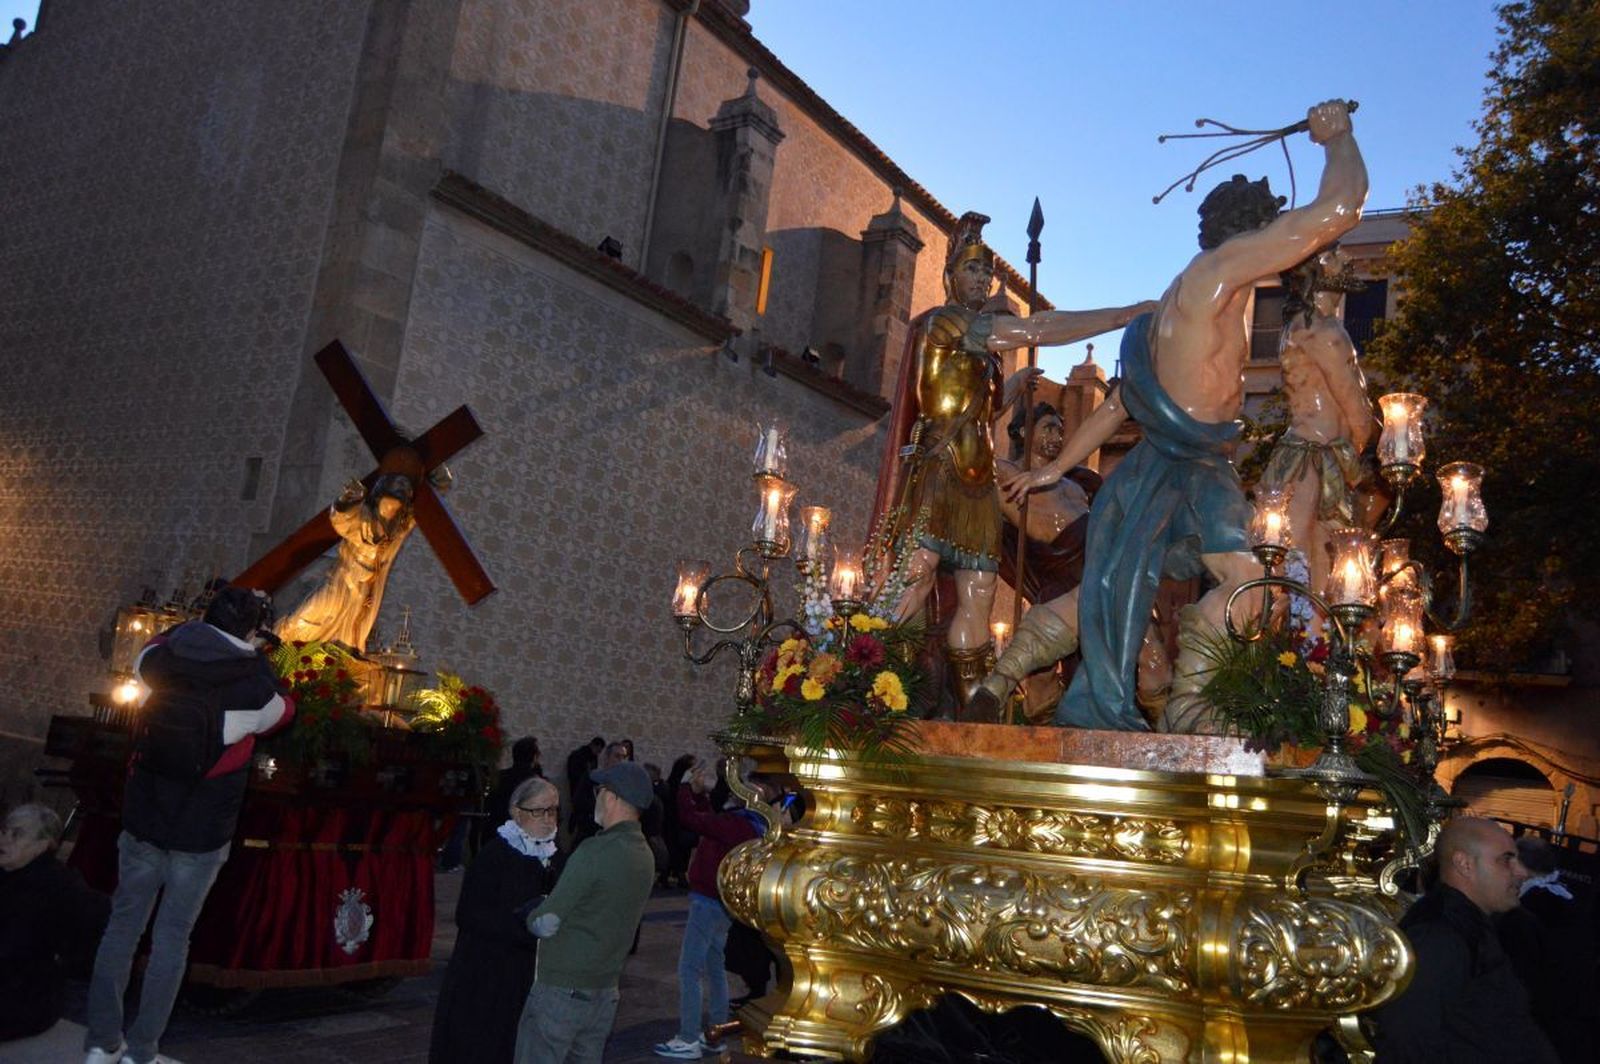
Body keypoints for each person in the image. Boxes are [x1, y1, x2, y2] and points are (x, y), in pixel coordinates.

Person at [1003, 100, 1368, 733]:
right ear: (1253, 232)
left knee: (1121, 588)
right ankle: (1191, 704)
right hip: (1189, 462)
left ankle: (1006, 673)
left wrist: (1055, 468)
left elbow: (1123, 402)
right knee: (1248, 578)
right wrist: (1338, 137)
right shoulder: (1221, 272)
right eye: (1274, 226)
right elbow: (1339, 209)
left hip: (1176, 461)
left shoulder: (1179, 302)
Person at [873, 210, 1153, 715]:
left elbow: (972, 408)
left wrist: (1009, 390)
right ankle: (875, 681)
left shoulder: (981, 349)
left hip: (977, 475)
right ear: (950, 276)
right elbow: (1036, 327)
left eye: (987, 271)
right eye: (972, 269)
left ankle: (972, 709)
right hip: (940, 466)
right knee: (916, 575)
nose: (982, 279)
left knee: (978, 591)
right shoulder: (946, 322)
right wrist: (1121, 315)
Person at [85, 584, 294, 1064]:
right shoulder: (254, 687)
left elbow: (155, 643)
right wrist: (258, 653)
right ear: (254, 630)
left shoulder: (157, 662)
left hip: (145, 818)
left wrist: (195, 627)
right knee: (171, 941)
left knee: (121, 929)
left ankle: (100, 1043)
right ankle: (142, 1051)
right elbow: (285, 710)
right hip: (200, 835)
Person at [1369, 818, 1559, 1063]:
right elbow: (1407, 1041)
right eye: (1506, 859)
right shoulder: (1438, 936)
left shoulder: (1470, 925)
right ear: (1464, 864)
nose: (1521, 872)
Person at [514, 761, 656, 1064]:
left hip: (563, 987)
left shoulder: (595, 850)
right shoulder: (644, 853)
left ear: (613, 797)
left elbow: (546, 922)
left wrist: (529, 913)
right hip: (605, 989)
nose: (597, 797)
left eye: (600, 790)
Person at [1258, 243, 1378, 597]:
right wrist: (1367, 449)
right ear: (1315, 270)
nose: (1347, 259)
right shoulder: (1323, 333)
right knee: (1313, 567)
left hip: (1320, 456)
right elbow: (1356, 408)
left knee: (1312, 570)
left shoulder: (1304, 328)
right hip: (1316, 460)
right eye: (1334, 255)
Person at [971, 401, 1102, 720]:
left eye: (1061, 430)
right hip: (1054, 575)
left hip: (1096, 568)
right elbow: (975, 434)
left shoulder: (1077, 483)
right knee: (1041, 672)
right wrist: (1014, 385)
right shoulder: (1003, 472)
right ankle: (1039, 728)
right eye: (1049, 428)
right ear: (1021, 431)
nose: (1057, 437)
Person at [431, 778, 566, 1064]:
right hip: (487, 970)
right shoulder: (494, 855)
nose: (547, 819)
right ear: (517, 812)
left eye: (553, 810)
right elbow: (468, 914)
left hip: (532, 971)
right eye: (538, 811)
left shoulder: (557, 856)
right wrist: (525, 926)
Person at [276, 457, 452, 652]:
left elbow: (440, 486)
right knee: (309, 614)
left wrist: (422, 456)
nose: (403, 487)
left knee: (351, 634)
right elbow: (342, 519)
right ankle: (274, 646)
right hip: (343, 580)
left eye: (407, 486)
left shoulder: (401, 526)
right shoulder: (364, 517)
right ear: (383, 488)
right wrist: (348, 500)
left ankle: (327, 662)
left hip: (368, 590)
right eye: (398, 482)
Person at [653, 767, 768, 1059]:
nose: (730, 793)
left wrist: (685, 789)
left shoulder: (736, 824)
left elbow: (693, 820)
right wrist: (701, 795)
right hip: (722, 903)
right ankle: (716, 1033)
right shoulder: (752, 823)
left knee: (689, 969)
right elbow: (709, 822)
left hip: (708, 901)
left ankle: (688, 1037)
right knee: (715, 967)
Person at [0, 803, 109, 1043]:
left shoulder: (52, 887)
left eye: (17, 834)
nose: (4, 839)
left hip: (23, 999)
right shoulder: (10, 874)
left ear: (43, 845)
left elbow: (13, 950)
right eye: (5, 831)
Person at [1499, 836, 1597, 1064]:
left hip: (1546, 1019)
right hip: (1573, 1016)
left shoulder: (1528, 910)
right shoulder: (1566, 898)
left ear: (1519, 865)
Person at [476, 736, 544, 854]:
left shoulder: (498, 777)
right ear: (534, 757)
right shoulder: (537, 783)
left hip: (496, 834)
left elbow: (487, 805)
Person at [662, 754, 697, 889]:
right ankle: (675, 875)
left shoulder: (675, 783)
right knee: (676, 849)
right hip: (675, 822)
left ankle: (673, 875)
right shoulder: (679, 785)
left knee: (679, 849)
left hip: (677, 822)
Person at [564, 737, 605, 837]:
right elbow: (574, 775)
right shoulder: (579, 756)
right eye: (598, 750)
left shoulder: (590, 757)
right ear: (594, 746)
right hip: (579, 790)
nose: (598, 753)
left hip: (584, 791)